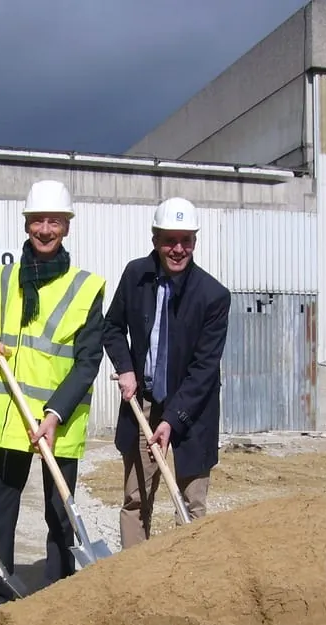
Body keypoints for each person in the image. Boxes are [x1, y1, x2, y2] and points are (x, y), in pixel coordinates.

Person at [0, 179, 106, 608]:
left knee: (60, 516)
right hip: (11, 415)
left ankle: (57, 598)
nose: (45, 229)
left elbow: (88, 361)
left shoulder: (87, 287)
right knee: (1, 515)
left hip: (58, 423)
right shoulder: (2, 278)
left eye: (54, 221)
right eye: (38, 221)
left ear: (67, 226)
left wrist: (54, 414)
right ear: (27, 223)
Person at [102, 197, 230, 548]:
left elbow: (204, 369)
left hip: (192, 408)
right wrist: (125, 368)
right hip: (144, 401)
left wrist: (172, 420)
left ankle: (184, 579)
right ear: (155, 238)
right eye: (169, 239)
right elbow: (112, 326)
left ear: (195, 241)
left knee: (189, 504)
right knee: (135, 498)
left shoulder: (214, 296)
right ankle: (135, 574)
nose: (177, 249)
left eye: (185, 240)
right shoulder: (135, 276)